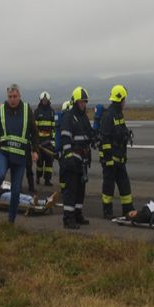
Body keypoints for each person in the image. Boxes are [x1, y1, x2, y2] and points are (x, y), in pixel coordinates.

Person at [0, 84, 40, 224]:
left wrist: (35, 150)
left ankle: (10, 222)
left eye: (15, 97)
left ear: (19, 96)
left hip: (20, 157)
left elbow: (34, 132)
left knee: (15, 191)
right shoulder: (1, 110)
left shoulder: (27, 110)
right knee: (0, 176)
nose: (12, 100)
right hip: (4, 153)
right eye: (10, 97)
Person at [60, 87, 93, 229]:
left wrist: (95, 137)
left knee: (81, 189)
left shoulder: (83, 117)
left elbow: (88, 134)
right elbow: (65, 137)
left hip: (82, 159)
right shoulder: (68, 116)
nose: (83, 105)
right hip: (72, 158)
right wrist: (68, 157)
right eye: (80, 102)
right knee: (71, 190)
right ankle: (68, 218)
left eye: (84, 102)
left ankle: (78, 213)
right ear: (74, 102)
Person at [99, 84, 134, 219]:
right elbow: (105, 140)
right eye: (124, 99)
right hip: (111, 159)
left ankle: (128, 209)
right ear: (120, 99)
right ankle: (107, 211)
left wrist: (126, 134)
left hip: (119, 158)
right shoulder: (108, 116)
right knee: (108, 187)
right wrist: (108, 160)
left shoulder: (118, 114)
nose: (125, 102)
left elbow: (121, 130)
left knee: (124, 185)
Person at [34, 91, 56, 186]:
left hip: (49, 141)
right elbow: (34, 128)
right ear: (41, 100)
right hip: (40, 141)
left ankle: (47, 179)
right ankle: (38, 177)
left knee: (49, 162)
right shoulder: (37, 112)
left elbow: (54, 127)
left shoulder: (52, 112)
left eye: (46, 100)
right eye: (43, 100)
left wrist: (53, 140)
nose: (45, 101)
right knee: (39, 161)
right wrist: (35, 141)